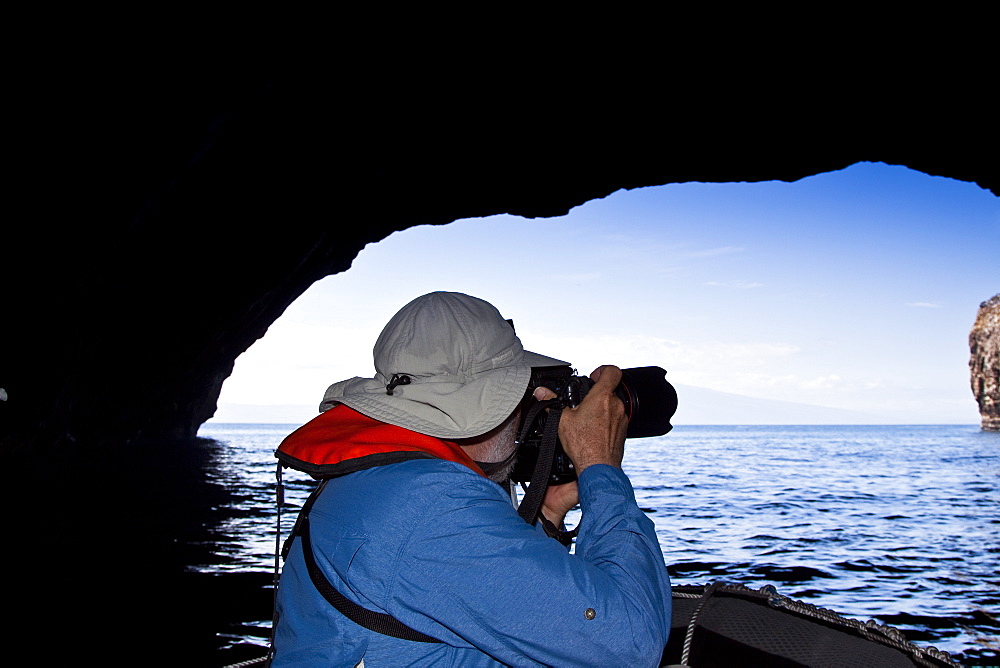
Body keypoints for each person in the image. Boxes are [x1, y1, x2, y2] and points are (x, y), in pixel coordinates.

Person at [271, 291, 671, 666]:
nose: (527, 408)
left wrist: (545, 513)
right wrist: (600, 466)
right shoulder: (430, 506)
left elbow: (475, 591)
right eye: (522, 391)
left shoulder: (383, 480)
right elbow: (631, 644)